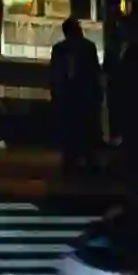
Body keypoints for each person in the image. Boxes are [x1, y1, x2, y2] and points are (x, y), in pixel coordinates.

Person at [47, 13, 103, 180]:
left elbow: (55, 74)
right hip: (81, 96)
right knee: (83, 131)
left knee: (72, 131)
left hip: (70, 96)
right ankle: (83, 162)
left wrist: (56, 94)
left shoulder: (61, 50)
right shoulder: (87, 48)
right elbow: (94, 74)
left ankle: (72, 163)